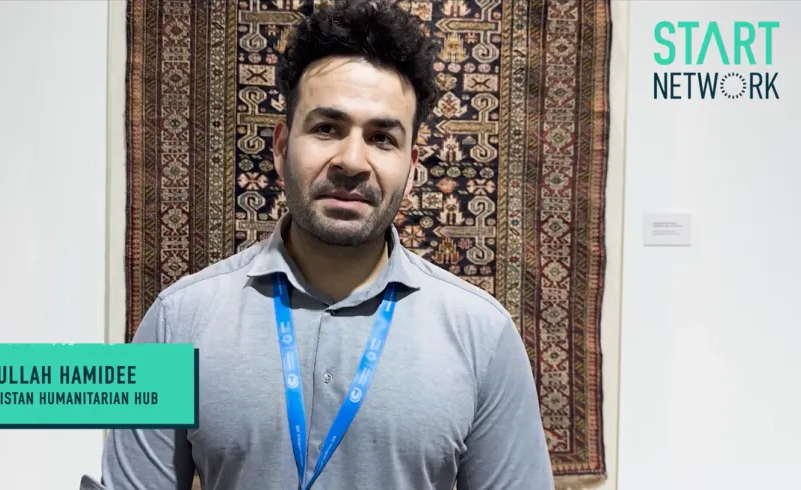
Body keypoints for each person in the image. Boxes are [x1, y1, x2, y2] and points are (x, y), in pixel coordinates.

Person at [80, 1, 554, 489]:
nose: (351, 160)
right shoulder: (175, 323)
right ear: (282, 146)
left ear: (412, 168)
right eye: (327, 128)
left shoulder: (484, 337)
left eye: (382, 138)